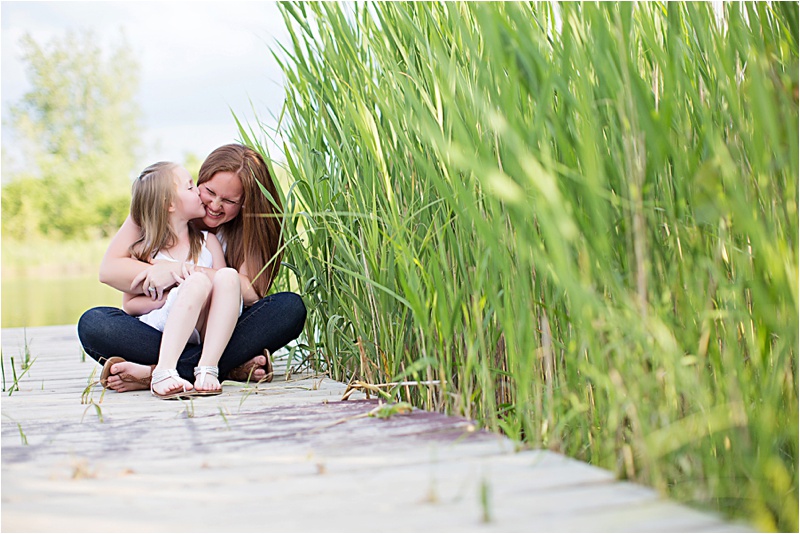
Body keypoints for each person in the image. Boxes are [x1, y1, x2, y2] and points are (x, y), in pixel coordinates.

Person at [78, 144, 307, 392]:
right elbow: (110, 271)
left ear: (245, 204)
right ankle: (227, 367)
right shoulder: (155, 208)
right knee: (94, 323)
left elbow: (250, 292)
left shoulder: (247, 231)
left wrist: (180, 271)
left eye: (230, 201)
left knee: (289, 308)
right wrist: (166, 275)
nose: (215, 205)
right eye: (208, 191)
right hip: (163, 328)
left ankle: (157, 372)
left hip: (221, 330)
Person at [118, 161, 241, 399]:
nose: (198, 192)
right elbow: (129, 305)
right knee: (197, 281)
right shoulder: (146, 250)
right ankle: (164, 370)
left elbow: (226, 292)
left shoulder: (207, 242)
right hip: (166, 326)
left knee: (227, 276)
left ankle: (207, 368)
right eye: (190, 186)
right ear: (170, 204)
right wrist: (169, 296)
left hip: (207, 327)